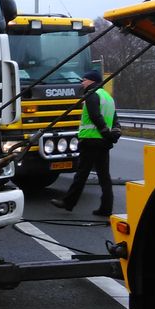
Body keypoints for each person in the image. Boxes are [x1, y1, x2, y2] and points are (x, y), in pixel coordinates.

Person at [51, 70, 118, 216]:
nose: (82, 82)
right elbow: (114, 119)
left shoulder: (91, 95)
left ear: (91, 81)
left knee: (81, 175)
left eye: (84, 80)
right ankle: (106, 208)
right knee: (104, 177)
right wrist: (113, 134)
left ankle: (68, 203)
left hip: (90, 141)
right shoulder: (108, 97)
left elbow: (95, 115)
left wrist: (104, 131)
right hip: (103, 142)